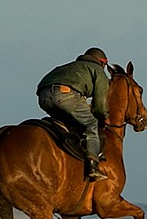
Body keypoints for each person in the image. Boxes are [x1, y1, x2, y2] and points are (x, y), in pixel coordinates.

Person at [36, 47, 110, 181]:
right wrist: (104, 117)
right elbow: (100, 104)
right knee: (91, 123)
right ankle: (93, 165)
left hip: (44, 96)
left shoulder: (69, 66)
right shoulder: (97, 70)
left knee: (66, 123)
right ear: (102, 63)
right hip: (66, 96)